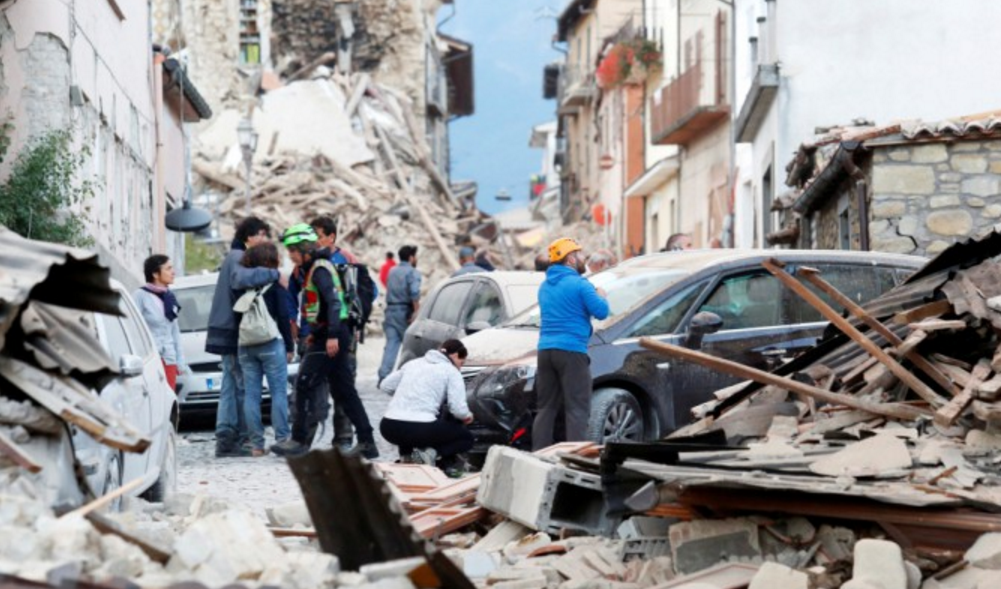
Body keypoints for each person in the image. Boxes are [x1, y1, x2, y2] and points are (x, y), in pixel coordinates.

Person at [272, 224, 379, 459]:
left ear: (304, 249)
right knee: (344, 392)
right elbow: (320, 305)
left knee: (304, 383)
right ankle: (367, 442)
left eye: (293, 250)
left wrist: (330, 335)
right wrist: (317, 331)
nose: (290, 255)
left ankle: (299, 440)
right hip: (328, 334)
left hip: (332, 336)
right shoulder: (314, 268)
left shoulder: (319, 269)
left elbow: (334, 302)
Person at [206, 217, 280, 458]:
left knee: (230, 383)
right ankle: (236, 438)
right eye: (261, 234)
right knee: (239, 386)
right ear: (249, 236)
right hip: (231, 331)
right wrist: (274, 273)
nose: (264, 239)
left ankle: (226, 437)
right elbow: (241, 279)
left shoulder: (234, 256)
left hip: (225, 329)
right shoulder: (237, 256)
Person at [532, 237, 610, 450]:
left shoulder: (544, 287)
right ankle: (576, 455)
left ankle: (538, 454)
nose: (583, 258)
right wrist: (602, 295)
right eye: (579, 254)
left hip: (545, 351)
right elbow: (601, 312)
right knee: (577, 408)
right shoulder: (580, 284)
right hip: (571, 351)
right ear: (570, 259)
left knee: (546, 408)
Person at [379, 339, 474, 476]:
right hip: (420, 429)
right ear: (455, 355)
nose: (460, 367)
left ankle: (407, 457)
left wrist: (407, 394)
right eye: (461, 363)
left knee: (410, 426)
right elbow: (457, 409)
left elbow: (385, 385)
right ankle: (430, 454)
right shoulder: (451, 371)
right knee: (466, 438)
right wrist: (468, 416)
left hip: (389, 427)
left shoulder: (413, 363)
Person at [236, 243, 294, 457]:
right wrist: (290, 346)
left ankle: (257, 445)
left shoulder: (241, 286)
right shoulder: (276, 286)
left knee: (251, 395)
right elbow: (284, 317)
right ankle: (282, 439)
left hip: (245, 345)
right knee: (278, 392)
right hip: (271, 343)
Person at [133, 255, 186, 391]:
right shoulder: (140, 295)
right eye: (168, 268)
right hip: (149, 359)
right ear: (155, 274)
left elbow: (174, 331)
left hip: (169, 359)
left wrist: (180, 360)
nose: (173, 272)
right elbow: (133, 327)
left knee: (169, 400)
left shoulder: (169, 297)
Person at [378, 245, 421, 383]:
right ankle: (409, 377)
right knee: (411, 346)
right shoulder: (413, 272)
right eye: (415, 256)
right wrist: (416, 313)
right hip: (405, 313)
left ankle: (383, 376)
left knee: (391, 344)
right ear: (411, 257)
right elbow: (414, 293)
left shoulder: (392, 271)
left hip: (390, 311)